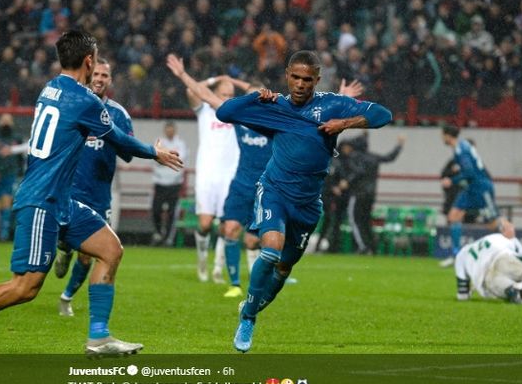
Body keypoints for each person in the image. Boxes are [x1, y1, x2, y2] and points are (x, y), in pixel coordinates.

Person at [0, 30, 183, 356]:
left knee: (110, 249)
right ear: (89, 61)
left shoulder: (50, 88)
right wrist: (154, 152)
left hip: (61, 200)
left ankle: (99, 337)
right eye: (96, 62)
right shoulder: (84, 99)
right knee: (25, 287)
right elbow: (118, 139)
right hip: (41, 200)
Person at [216, 50, 392, 352]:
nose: (300, 84)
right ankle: (247, 318)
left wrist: (344, 124)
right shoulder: (275, 107)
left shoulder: (332, 104)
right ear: (286, 76)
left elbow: (383, 115)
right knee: (269, 252)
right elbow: (225, 113)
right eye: (295, 77)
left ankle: (253, 305)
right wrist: (253, 96)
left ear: (317, 80)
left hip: (308, 204)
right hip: (274, 191)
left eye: (307, 79)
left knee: (283, 270)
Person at [168, 54, 365, 295]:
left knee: (255, 241)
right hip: (241, 182)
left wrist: (342, 99)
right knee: (230, 229)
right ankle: (234, 285)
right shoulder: (244, 118)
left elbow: (317, 120)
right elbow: (208, 96)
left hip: (268, 187)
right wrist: (182, 75)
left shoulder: (280, 120)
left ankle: (264, 279)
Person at [52, 58, 136, 317]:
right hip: (69, 190)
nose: (100, 79)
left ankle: (66, 298)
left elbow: (129, 154)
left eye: (105, 76)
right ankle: (64, 248)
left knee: (90, 256)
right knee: (66, 245)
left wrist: (111, 138)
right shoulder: (73, 105)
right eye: (96, 74)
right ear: (89, 76)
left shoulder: (119, 115)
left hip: (99, 195)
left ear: (110, 81)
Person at [182, 64, 240, 284]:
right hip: (207, 174)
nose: (227, 98)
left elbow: (257, 91)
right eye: (223, 94)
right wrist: (214, 77)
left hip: (230, 175)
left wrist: (234, 81)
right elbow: (191, 91)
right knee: (205, 224)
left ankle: (218, 268)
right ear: (214, 94)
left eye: (231, 95)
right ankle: (202, 260)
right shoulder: (205, 111)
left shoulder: (238, 114)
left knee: (227, 224)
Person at [439, 125, 511, 267]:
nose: (441, 138)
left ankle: (513, 247)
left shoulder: (461, 150)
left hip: (481, 187)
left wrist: (451, 180)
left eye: (442, 135)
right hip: (471, 187)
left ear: (448, 136)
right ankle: (456, 255)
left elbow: (470, 173)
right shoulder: (463, 145)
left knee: (493, 223)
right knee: (453, 216)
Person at [344, 132, 405, 254]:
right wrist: (399, 145)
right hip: (371, 194)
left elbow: (358, 172)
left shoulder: (354, 157)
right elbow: (389, 158)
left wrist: (347, 181)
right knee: (366, 221)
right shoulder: (372, 157)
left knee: (355, 220)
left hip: (358, 192)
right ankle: (372, 246)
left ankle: (362, 246)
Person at [151, 121, 188, 246]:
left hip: (174, 183)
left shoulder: (180, 144)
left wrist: (164, 156)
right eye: (167, 129)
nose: (169, 131)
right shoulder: (159, 142)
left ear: (175, 130)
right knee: (156, 210)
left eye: (171, 129)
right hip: (160, 182)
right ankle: (158, 233)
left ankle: (167, 239)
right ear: (165, 130)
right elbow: (154, 157)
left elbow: (180, 160)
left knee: (172, 212)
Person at [0, 114, 25, 241]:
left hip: (11, 174)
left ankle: (4, 232)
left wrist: (20, 173)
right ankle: (0, 229)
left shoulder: (17, 138)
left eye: (8, 120)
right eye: (3, 119)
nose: (5, 122)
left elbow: (20, 158)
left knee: (6, 202)